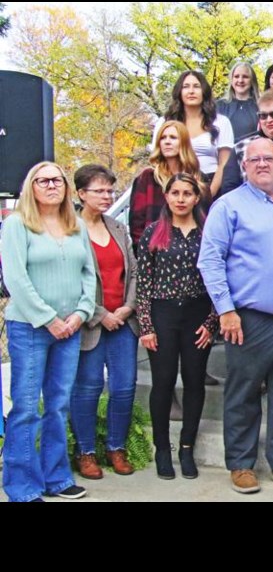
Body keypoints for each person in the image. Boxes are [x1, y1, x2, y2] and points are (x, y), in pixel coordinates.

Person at [198, 138, 273, 495]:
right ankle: (241, 464)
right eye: (255, 160)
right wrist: (226, 311)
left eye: (269, 158)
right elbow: (210, 260)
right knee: (244, 391)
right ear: (244, 167)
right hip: (249, 318)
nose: (262, 164)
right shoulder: (228, 206)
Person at [1, 162, 96, 502]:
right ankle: (23, 486)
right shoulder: (16, 225)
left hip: (70, 330)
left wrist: (81, 313)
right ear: (31, 187)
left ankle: (56, 478)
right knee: (27, 407)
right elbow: (16, 280)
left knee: (58, 405)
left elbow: (89, 274)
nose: (51, 185)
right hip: (29, 328)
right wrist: (48, 319)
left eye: (57, 179)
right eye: (43, 180)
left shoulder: (76, 226)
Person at [136, 173, 217, 480]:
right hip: (163, 314)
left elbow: (216, 279)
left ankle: (186, 447)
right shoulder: (154, 232)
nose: (181, 198)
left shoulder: (209, 232)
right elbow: (143, 282)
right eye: (175, 193)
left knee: (194, 380)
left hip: (198, 314)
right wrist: (146, 325)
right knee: (164, 381)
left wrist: (212, 322)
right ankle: (162, 450)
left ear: (197, 198)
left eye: (188, 193)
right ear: (166, 197)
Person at [70, 165, 139, 480]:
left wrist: (127, 308)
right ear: (82, 194)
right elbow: (70, 279)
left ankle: (116, 448)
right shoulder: (70, 229)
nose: (107, 196)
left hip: (123, 322)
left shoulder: (117, 227)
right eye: (99, 190)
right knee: (89, 387)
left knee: (124, 388)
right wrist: (101, 314)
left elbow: (134, 272)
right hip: (90, 324)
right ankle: (85, 452)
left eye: (110, 190)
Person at [152, 71, 234, 198]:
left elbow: (224, 163)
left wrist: (208, 195)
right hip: (172, 185)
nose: (191, 91)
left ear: (204, 91)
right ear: (179, 91)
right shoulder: (164, 122)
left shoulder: (221, 122)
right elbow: (156, 159)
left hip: (210, 184)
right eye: (186, 87)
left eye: (196, 86)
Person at [129, 120, 206, 246]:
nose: (167, 142)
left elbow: (205, 221)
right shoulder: (147, 177)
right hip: (156, 252)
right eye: (163, 138)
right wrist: (146, 253)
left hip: (193, 251)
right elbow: (136, 225)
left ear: (184, 142)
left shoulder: (198, 178)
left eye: (173, 137)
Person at [217, 62, 261, 140]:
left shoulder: (261, 106)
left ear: (252, 81)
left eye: (245, 77)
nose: (240, 80)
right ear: (231, 80)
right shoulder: (219, 106)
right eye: (236, 76)